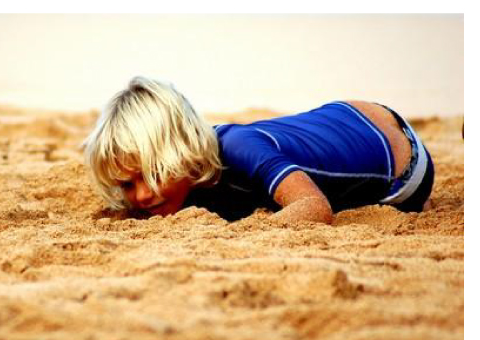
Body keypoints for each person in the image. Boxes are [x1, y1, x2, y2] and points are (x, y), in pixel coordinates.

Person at [82, 76, 433, 223]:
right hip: (337, 120)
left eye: (154, 174)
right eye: (128, 184)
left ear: (183, 151)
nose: (142, 195)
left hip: (400, 162)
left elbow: (314, 207)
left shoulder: (238, 147)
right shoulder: (188, 174)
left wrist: (245, 235)